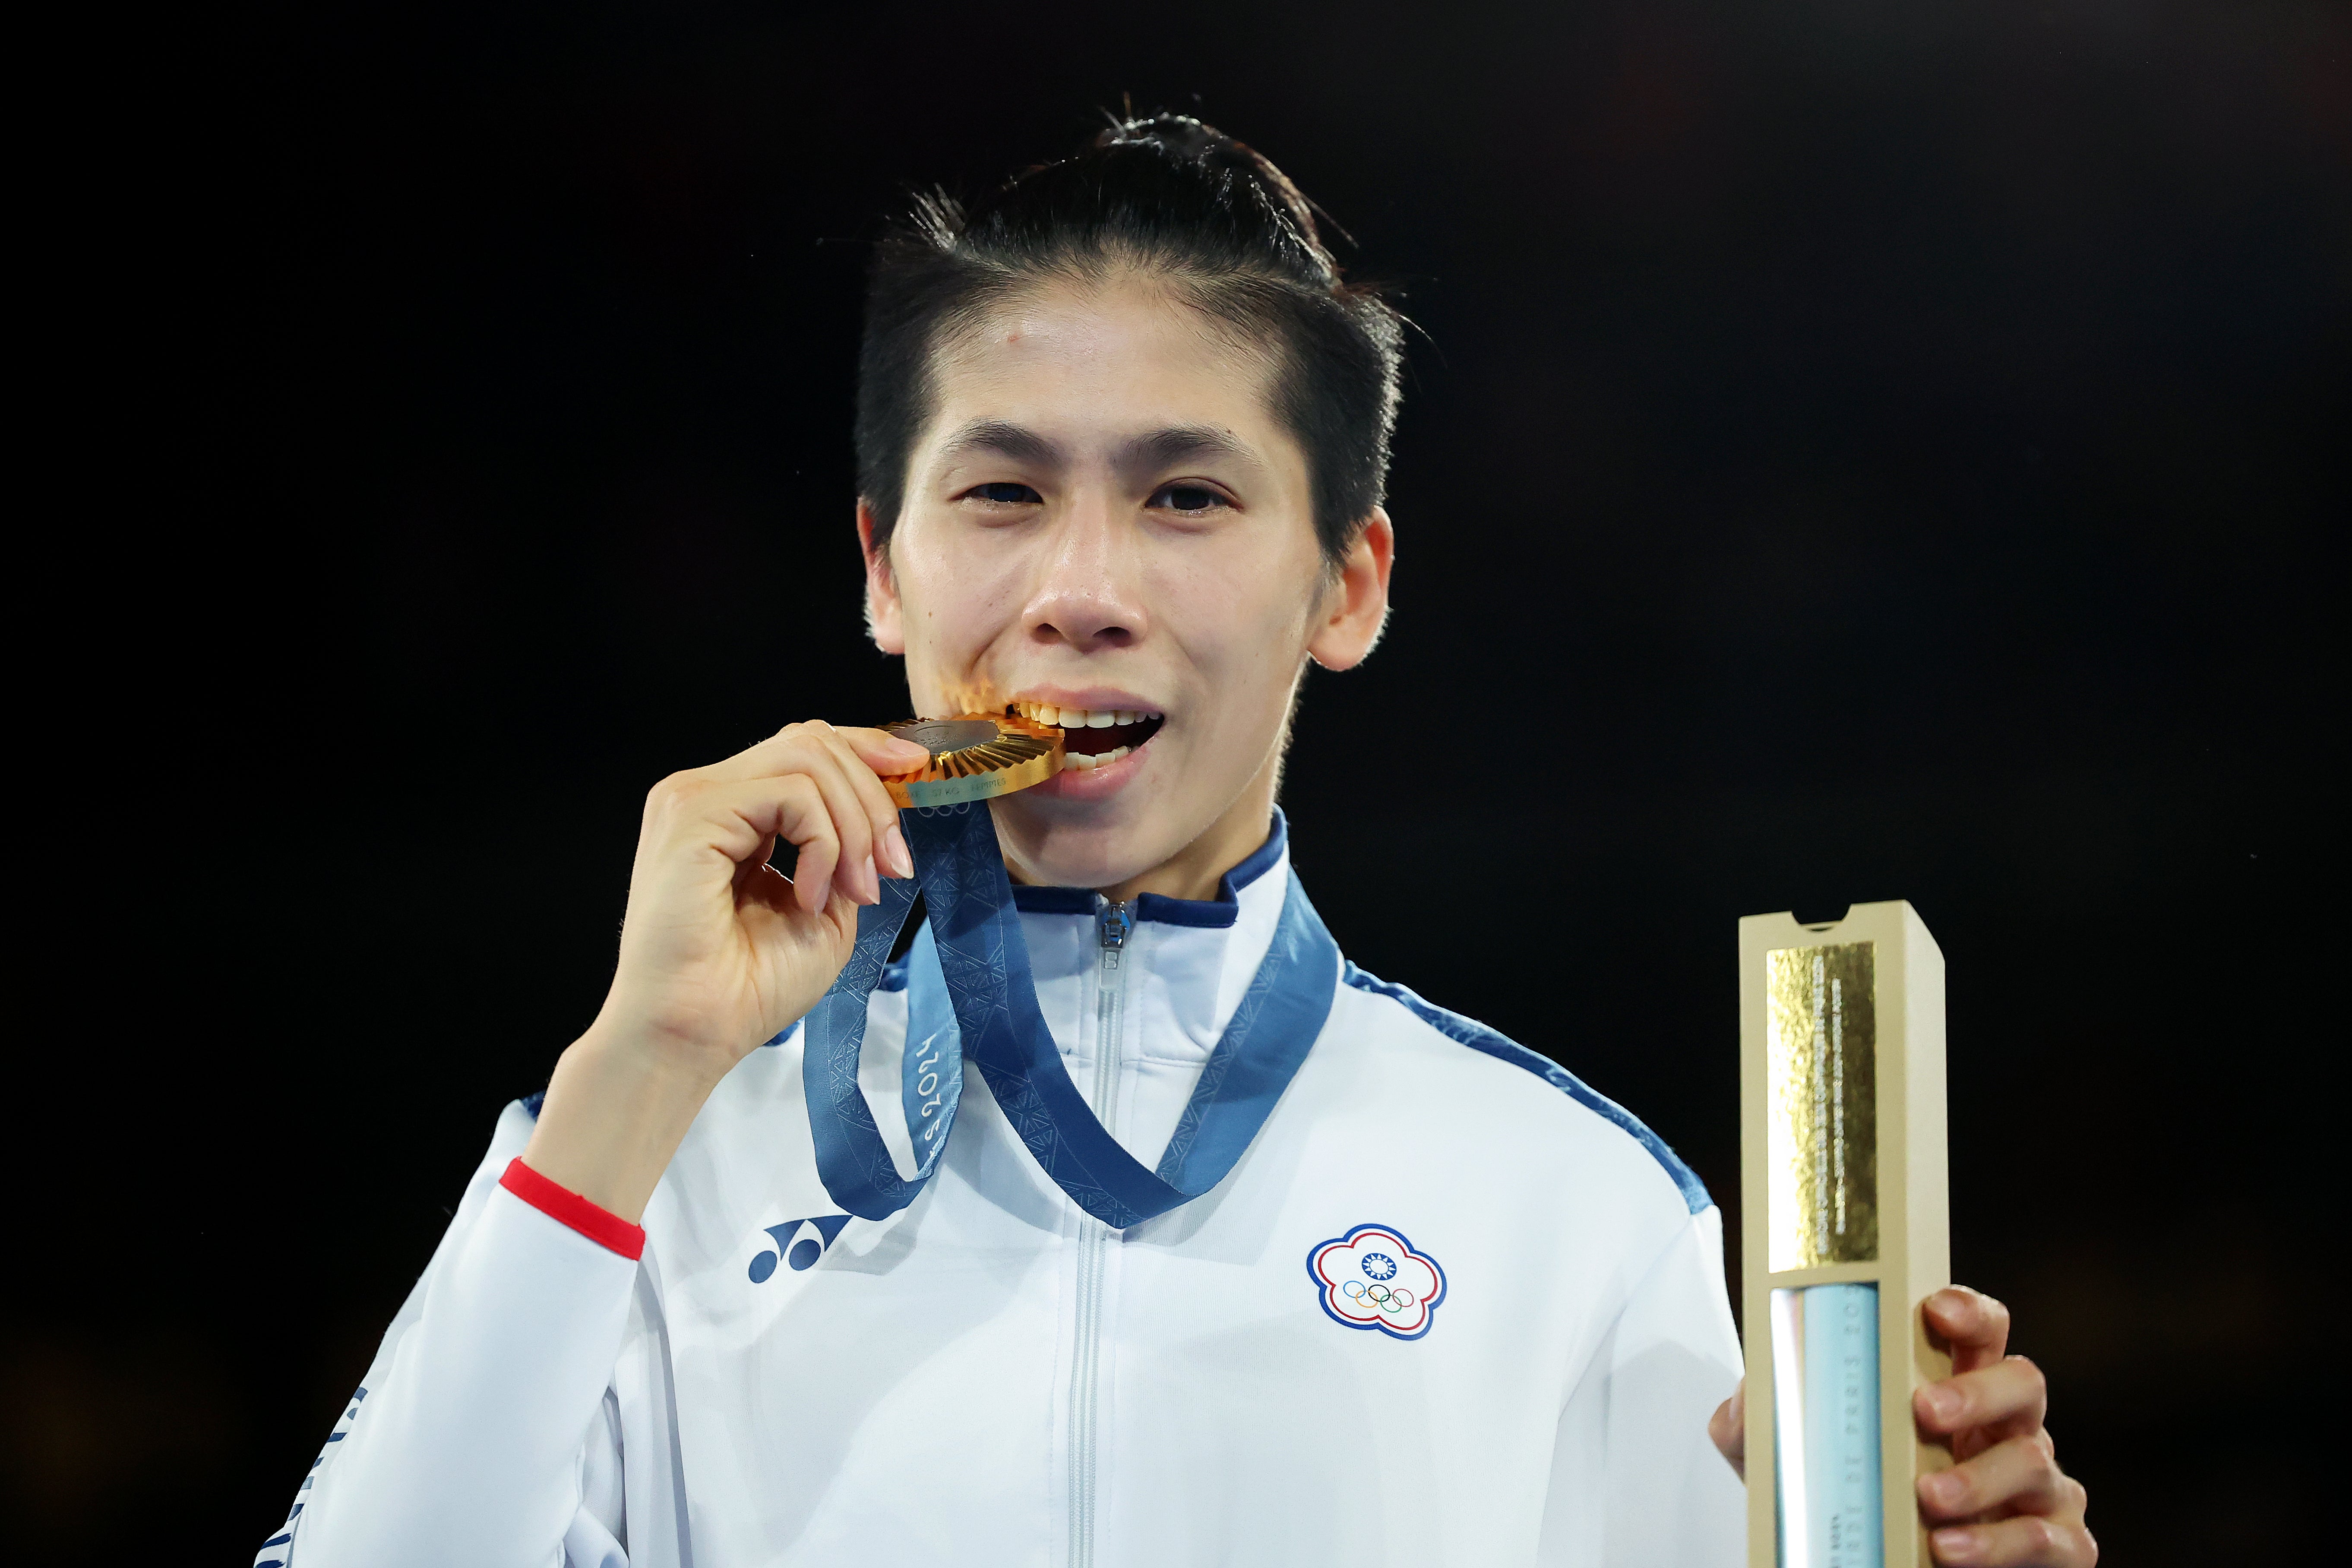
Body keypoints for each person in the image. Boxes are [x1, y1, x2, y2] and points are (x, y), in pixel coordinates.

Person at [258, 116, 2093, 1568]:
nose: (1081, 591)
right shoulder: (653, 1184)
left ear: (1348, 582)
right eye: (1002, 492)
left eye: (1186, 495)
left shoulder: (1581, 1216)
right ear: (884, 568)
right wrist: (634, 1070)